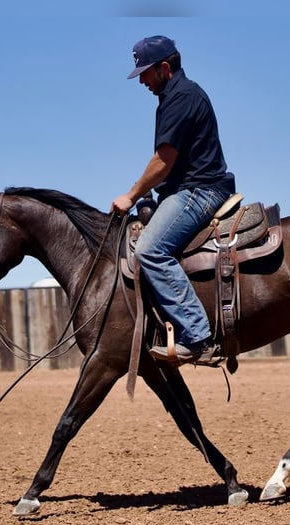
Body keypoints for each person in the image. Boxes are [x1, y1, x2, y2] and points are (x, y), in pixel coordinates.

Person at [110, 35, 236, 365]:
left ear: (165, 67)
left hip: (201, 191)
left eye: (146, 73)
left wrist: (131, 195)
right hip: (187, 188)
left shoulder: (181, 97)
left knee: (151, 250)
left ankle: (197, 337)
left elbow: (163, 160)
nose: (143, 82)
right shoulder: (174, 97)